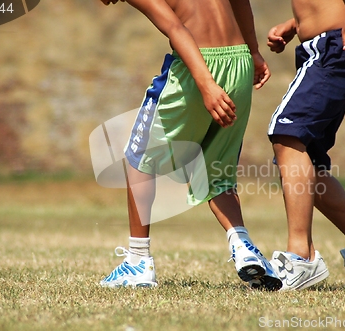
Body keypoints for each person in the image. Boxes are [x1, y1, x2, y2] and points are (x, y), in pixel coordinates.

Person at [98, 0, 282, 291]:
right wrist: (254, 50)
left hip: (197, 67)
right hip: (239, 62)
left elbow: (176, 28)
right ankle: (243, 245)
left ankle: (138, 261)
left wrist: (207, 84)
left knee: (139, 158)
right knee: (217, 169)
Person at [266, 0, 345, 290]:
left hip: (336, 46)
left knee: (286, 132)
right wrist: (294, 24)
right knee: (306, 162)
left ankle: (300, 258)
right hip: (326, 49)